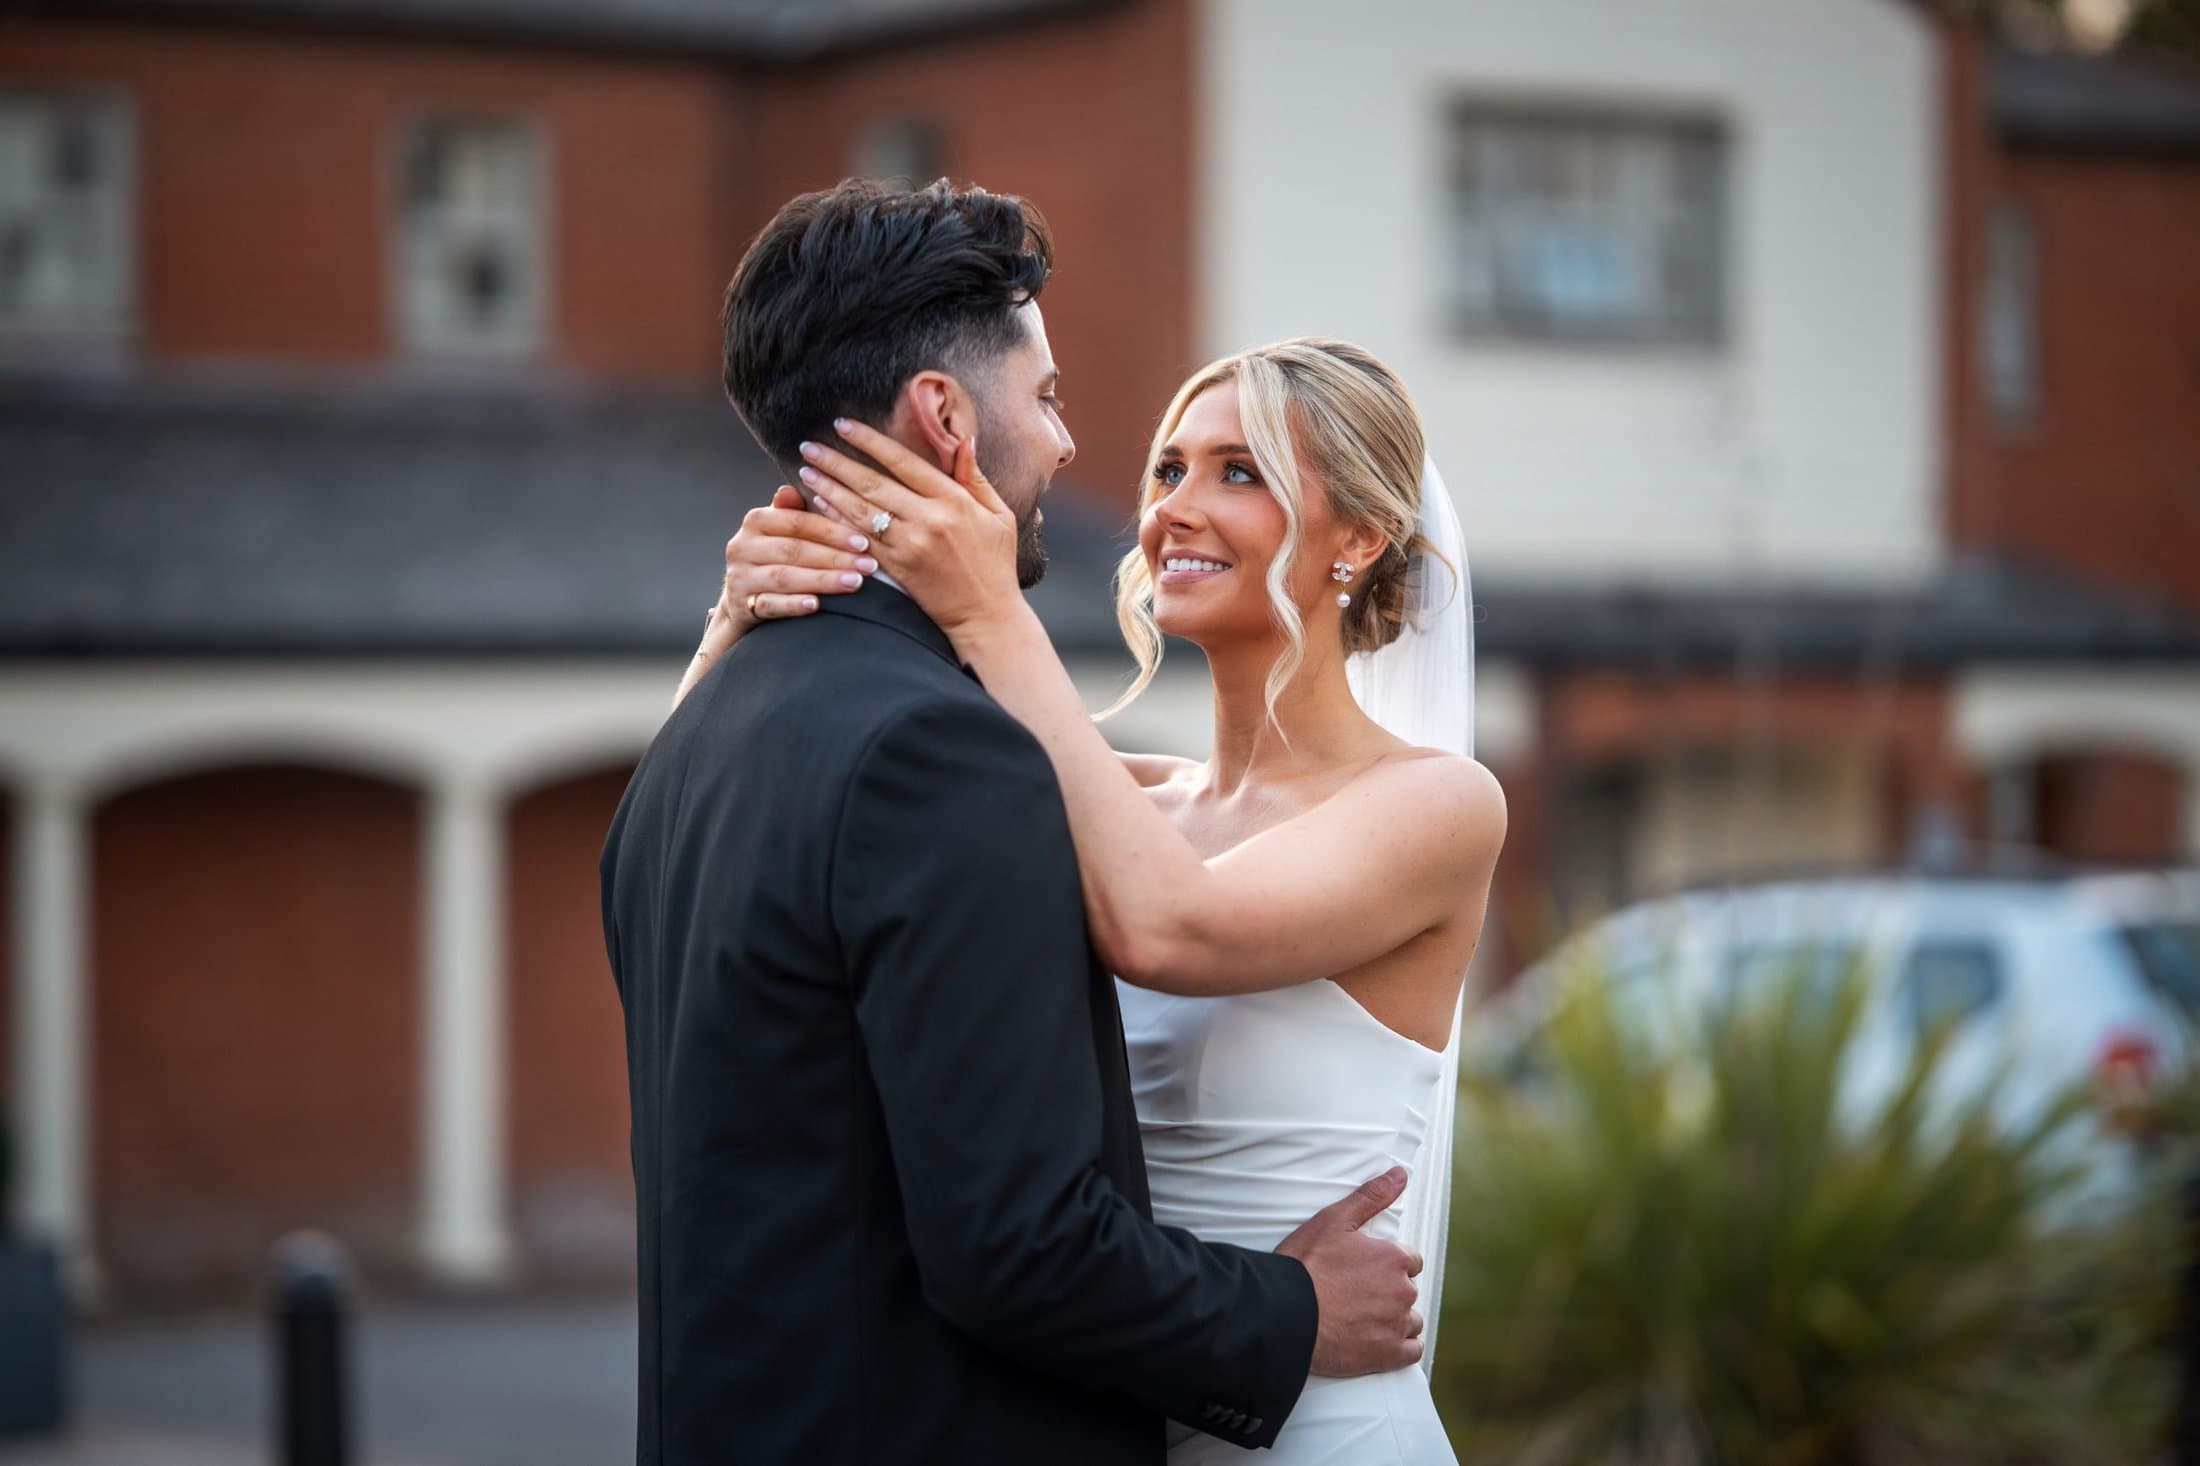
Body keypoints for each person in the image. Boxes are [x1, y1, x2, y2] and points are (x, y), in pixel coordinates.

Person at [601, 180, 1425, 1466]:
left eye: (1238, 472)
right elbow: (1015, 1242)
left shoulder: (692, 743)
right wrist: (1290, 1310)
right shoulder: (943, 756)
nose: (1066, 448)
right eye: (1043, 398)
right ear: (944, 416)